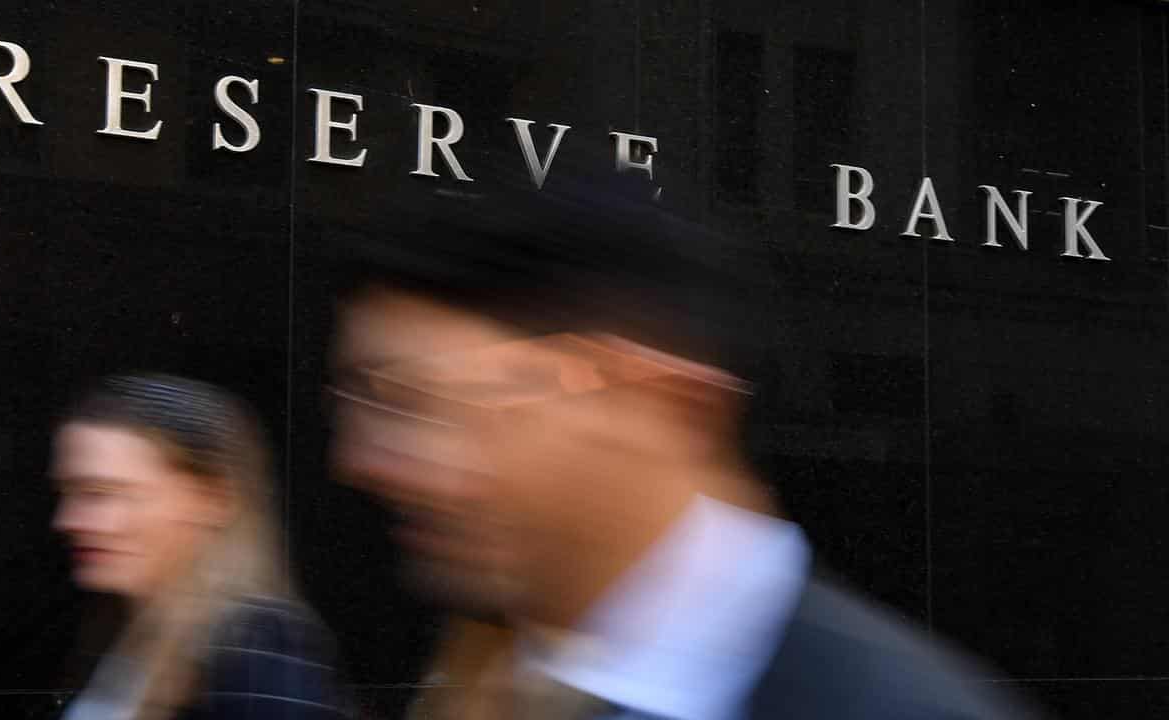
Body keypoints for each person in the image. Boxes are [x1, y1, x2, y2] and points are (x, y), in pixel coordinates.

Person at [325, 166, 1045, 720]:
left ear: (654, 400)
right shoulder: (502, 678)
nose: (365, 462)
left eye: (413, 401)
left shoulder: (891, 707)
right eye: (360, 403)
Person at [52, 373, 349, 720]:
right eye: (67, 493)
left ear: (212, 498)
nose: (68, 520)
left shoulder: (258, 647)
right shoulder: (122, 632)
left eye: (103, 494)